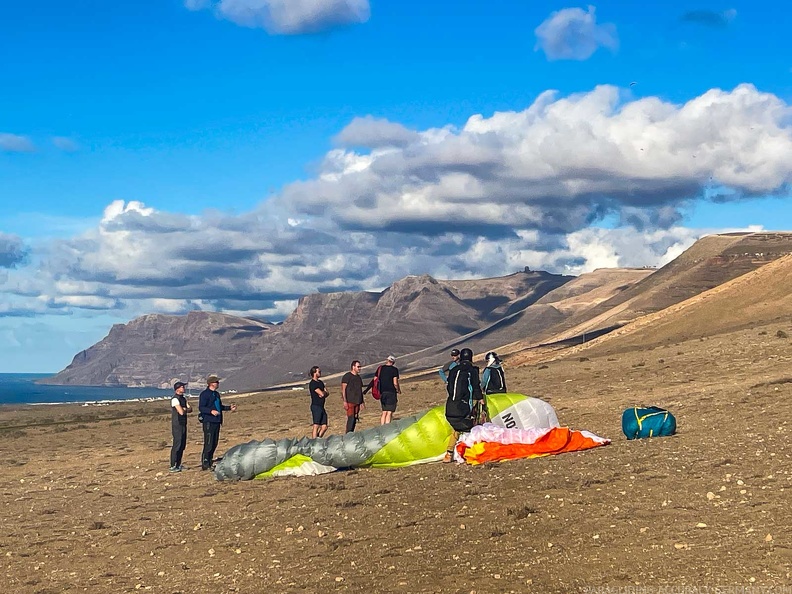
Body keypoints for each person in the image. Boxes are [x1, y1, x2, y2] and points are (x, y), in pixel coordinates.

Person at [444, 348, 484, 463]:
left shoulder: (453, 370)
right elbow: (475, 386)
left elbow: (449, 387)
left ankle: (448, 453)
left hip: (450, 407)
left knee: (457, 428)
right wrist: (480, 398)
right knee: (473, 428)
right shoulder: (471, 371)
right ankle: (471, 452)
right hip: (462, 408)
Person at [198, 374, 237, 471]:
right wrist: (211, 412)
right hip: (208, 421)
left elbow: (219, 406)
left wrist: (229, 408)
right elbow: (201, 407)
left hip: (217, 421)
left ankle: (210, 460)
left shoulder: (216, 394)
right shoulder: (204, 394)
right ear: (211, 383)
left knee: (214, 442)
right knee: (209, 442)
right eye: (216, 382)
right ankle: (205, 463)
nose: (218, 383)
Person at [169, 381, 192, 472]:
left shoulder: (183, 398)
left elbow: (190, 409)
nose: (184, 388)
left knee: (182, 444)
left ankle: (178, 464)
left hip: (183, 423)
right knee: (177, 444)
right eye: (182, 387)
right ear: (177, 389)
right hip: (177, 424)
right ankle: (172, 465)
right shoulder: (175, 399)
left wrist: (185, 409)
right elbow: (181, 412)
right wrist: (185, 409)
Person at [341, 360, 365, 433]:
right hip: (350, 401)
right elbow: (343, 389)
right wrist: (345, 401)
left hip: (357, 401)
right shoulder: (347, 376)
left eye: (360, 367)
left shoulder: (358, 378)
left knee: (355, 418)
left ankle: (352, 433)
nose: (359, 368)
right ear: (353, 367)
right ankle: (348, 434)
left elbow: (360, 390)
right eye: (358, 367)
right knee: (350, 418)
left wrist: (362, 401)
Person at [376, 355, 401, 425]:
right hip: (391, 392)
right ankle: (387, 428)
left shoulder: (381, 369)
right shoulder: (394, 370)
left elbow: (375, 379)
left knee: (384, 412)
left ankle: (382, 427)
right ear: (393, 362)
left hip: (382, 392)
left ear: (387, 360)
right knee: (389, 412)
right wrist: (398, 390)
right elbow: (395, 383)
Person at [308, 365, 329, 438]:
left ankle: (318, 438)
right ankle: (314, 441)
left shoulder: (320, 382)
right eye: (319, 372)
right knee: (316, 425)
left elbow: (326, 393)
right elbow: (322, 393)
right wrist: (323, 393)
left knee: (324, 426)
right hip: (316, 406)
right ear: (314, 373)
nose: (320, 373)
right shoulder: (313, 383)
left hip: (321, 406)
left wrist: (324, 393)